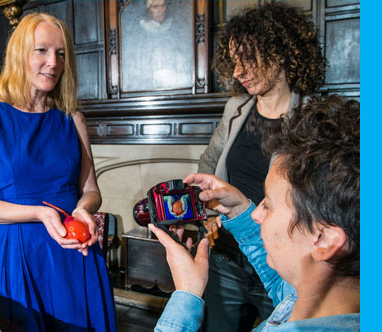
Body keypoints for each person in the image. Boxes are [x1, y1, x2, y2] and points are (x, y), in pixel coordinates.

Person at [0, 13, 115, 331]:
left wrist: (83, 209)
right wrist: (39, 214)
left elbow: (91, 190)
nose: (53, 62)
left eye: (60, 53)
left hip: (73, 255)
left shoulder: (73, 119)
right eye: (42, 50)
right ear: (20, 55)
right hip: (13, 256)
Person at [153, 95, 360, 332]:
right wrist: (238, 209)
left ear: (324, 239)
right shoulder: (317, 296)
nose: (256, 213)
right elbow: (282, 286)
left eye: (268, 205)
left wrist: (187, 294)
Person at [198, 3, 327, 331]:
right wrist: (212, 213)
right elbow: (209, 165)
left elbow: (323, 197)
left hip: (282, 263)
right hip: (228, 256)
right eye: (234, 61)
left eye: (248, 59)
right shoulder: (236, 108)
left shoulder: (315, 115)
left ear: (281, 52)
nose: (239, 71)